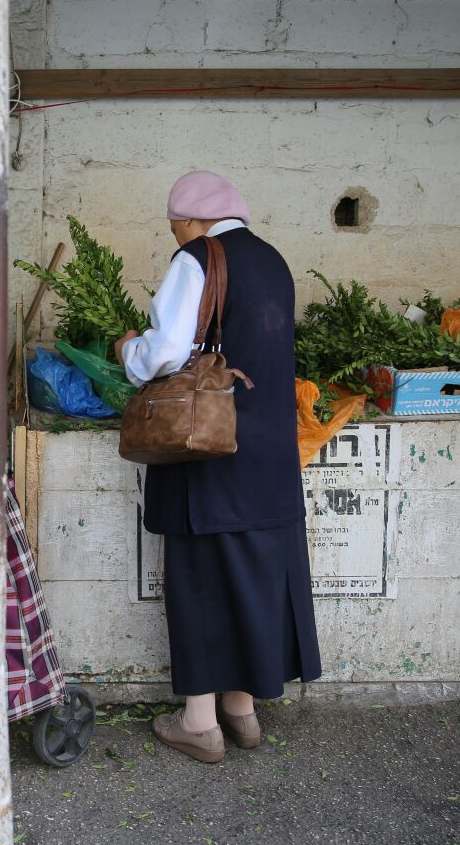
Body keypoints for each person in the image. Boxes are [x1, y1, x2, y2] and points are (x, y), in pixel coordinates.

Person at [115, 171, 322, 764]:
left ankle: (200, 724)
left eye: (173, 222)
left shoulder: (197, 257)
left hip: (207, 443)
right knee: (252, 575)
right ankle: (242, 711)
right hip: (268, 451)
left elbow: (167, 351)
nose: (173, 233)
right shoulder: (274, 261)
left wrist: (130, 348)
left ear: (191, 218)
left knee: (201, 577)